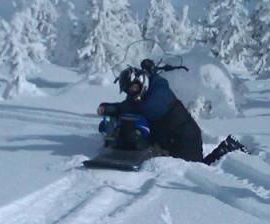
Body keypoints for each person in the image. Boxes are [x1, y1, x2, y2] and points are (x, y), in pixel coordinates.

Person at [97, 63, 246, 165]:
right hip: (169, 139)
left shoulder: (159, 92)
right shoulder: (143, 94)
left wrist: (119, 109)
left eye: (134, 87)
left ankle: (226, 149)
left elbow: (146, 108)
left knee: (197, 169)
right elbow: (128, 106)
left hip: (185, 137)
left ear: (142, 81)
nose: (132, 92)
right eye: (129, 90)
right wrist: (109, 108)